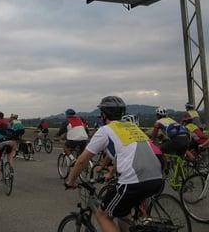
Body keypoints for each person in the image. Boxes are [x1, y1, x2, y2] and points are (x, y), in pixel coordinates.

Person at [66, 96, 163, 232]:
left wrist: (70, 181)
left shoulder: (105, 130)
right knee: (123, 213)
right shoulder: (132, 128)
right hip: (157, 178)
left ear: (103, 114)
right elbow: (125, 155)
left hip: (133, 182)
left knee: (102, 215)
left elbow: (82, 160)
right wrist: (112, 172)